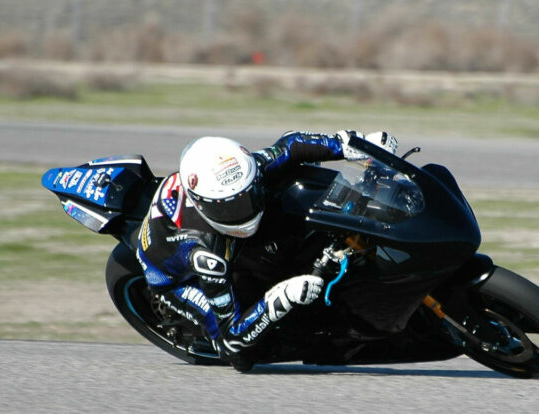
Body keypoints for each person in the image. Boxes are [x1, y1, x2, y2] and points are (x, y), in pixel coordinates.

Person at [135, 130, 397, 371]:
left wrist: (355, 144)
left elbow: (291, 145)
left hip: (217, 232)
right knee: (246, 355)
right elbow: (231, 342)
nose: (245, 211)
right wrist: (278, 299)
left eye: (248, 196)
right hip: (174, 280)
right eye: (230, 208)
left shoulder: (244, 169)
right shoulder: (206, 255)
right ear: (204, 206)